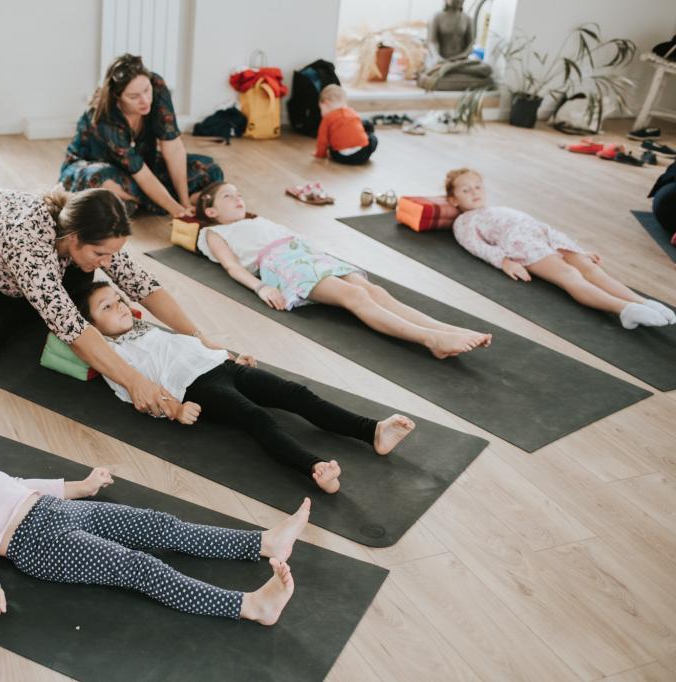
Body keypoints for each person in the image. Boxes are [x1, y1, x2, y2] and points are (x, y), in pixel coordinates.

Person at [0, 398, 308, 624]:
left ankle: (264, 542)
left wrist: (77, 487)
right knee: (141, 567)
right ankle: (249, 606)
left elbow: (13, 486)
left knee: (159, 526)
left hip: (53, 509)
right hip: (37, 544)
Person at [0, 187, 223, 419]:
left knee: (82, 278)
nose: (108, 261)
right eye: (101, 253)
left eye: (113, 253)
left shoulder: (88, 229)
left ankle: (42, 299)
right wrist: (135, 382)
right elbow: (72, 330)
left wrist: (198, 338)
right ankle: (39, 301)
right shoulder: (28, 244)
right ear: (72, 238)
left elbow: (141, 284)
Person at [73, 281, 417, 494]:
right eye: (107, 307)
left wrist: (230, 357)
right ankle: (315, 469)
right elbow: (139, 392)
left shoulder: (144, 328)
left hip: (221, 366)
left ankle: (372, 430)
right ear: (93, 327)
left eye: (118, 299)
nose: (119, 306)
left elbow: (189, 347)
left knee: (296, 394)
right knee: (258, 419)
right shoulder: (113, 354)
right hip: (196, 389)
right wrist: (175, 410)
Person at [195, 181, 492, 358]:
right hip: (284, 266)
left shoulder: (254, 220)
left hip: (309, 255)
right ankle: (430, 340)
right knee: (355, 297)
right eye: (227, 197)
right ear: (211, 212)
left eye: (238, 194)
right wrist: (262, 287)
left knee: (375, 291)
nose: (238, 199)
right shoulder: (216, 233)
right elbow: (233, 267)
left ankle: (444, 329)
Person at [446, 168, 676, 328]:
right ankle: (624, 309)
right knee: (570, 275)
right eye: (466, 190)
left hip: (544, 233)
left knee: (589, 268)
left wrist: (579, 249)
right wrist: (505, 261)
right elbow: (476, 247)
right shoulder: (465, 221)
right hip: (521, 245)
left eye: (478, 186)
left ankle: (641, 301)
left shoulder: (496, 208)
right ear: (453, 200)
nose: (475, 192)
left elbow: (538, 225)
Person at [60, 53, 223, 217]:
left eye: (146, 90)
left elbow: (172, 147)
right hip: (99, 169)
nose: (145, 100)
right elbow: (139, 172)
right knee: (100, 181)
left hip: (144, 165)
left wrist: (184, 201)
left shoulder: (156, 85)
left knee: (208, 169)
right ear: (118, 97)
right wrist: (177, 210)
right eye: (134, 97)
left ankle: (145, 201)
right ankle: (156, 201)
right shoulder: (103, 117)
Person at [314, 84, 377, 165]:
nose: (321, 113)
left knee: (332, 144)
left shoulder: (327, 119)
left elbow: (322, 141)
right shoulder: (353, 112)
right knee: (372, 137)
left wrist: (320, 154)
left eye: (321, 109)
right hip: (361, 155)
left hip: (340, 156)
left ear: (326, 103)